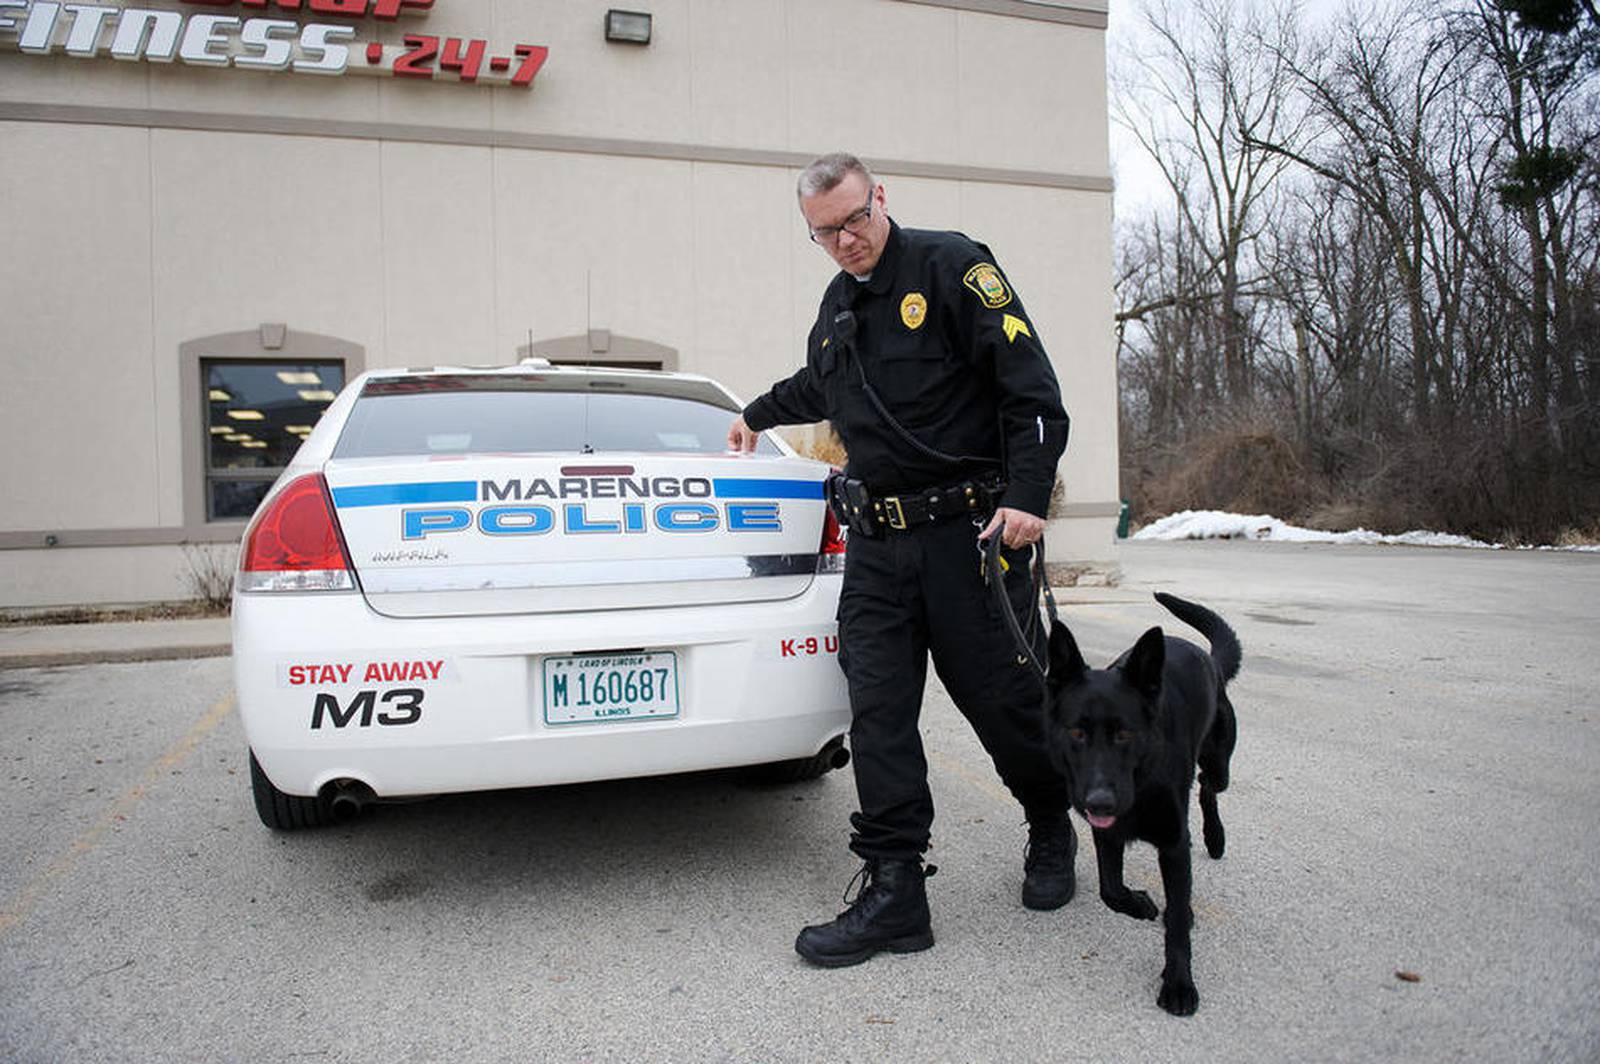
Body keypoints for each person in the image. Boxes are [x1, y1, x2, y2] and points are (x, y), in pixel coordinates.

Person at [727, 152, 1077, 968]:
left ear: (880, 197)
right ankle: (895, 891)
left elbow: (1031, 388)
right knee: (879, 714)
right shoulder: (838, 304)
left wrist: (1027, 494)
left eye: (855, 218)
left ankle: (1050, 821)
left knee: (1004, 707)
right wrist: (755, 412)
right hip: (878, 548)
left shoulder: (953, 267)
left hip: (969, 541)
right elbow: (823, 385)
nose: (846, 239)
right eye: (826, 232)